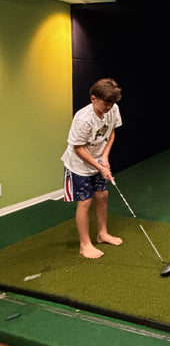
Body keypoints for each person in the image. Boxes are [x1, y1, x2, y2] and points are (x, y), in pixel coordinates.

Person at [61, 78, 124, 259]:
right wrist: (99, 166)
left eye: (112, 104)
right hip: (78, 165)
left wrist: (105, 157)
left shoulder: (113, 109)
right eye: (106, 103)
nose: (109, 107)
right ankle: (85, 244)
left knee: (102, 195)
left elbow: (111, 132)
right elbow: (78, 148)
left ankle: (102, 234)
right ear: (93, 98)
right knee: (85, 202)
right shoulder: (83, 119)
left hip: (97, 159)